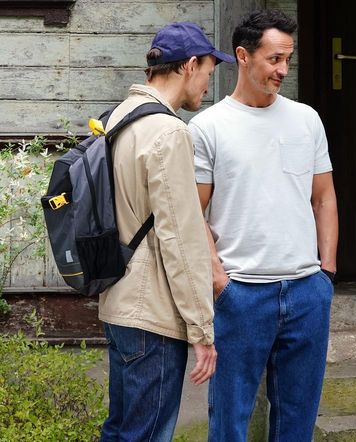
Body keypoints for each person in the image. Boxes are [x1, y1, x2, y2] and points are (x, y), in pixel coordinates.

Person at [188, 9, 338, 442]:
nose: (283, 70)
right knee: (229, 423)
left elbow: (324, 197)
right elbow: (192, 212)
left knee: (297, 423)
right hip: (241, 294)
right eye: (274, 59)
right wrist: (219, 280)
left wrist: (326, 273)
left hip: (307, 291)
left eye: (288, 59)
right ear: (243, 56)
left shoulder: (307, 119)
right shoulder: (208, 127)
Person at [98, 22, 235, 441]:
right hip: (152, 311)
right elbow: (181, 238)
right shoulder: (170, 131)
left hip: (118, 301)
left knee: (121, 431)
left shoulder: (120, 116)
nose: (207, 85)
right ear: (189, 65)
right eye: (208, 71)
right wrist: (202, 330)